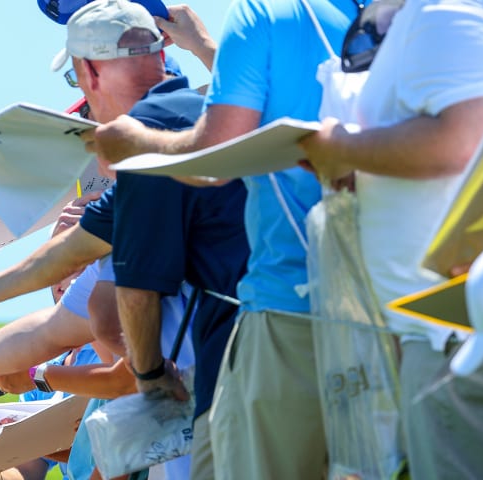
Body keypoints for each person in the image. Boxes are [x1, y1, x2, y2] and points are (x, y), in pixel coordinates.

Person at [0, 1, 247, 477]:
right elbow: (61, 296)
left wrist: (147, 374)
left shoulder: (152, 141)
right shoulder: (185, 123)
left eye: (73, 78)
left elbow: (114, 312)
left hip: (230, 410)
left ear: (89, 71)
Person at [80, 0, 365, 477]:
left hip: (288, 306)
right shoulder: (383, 16)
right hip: (392, 294)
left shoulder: (261, 15)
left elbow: (213, 156)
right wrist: (206, 47)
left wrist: (135, 143)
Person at [298, 0, 483, 476]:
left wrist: (339, 147)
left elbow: (464, 137)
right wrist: (357, 164)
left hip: (455, 333)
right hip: (442, 329)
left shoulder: (438, 14)